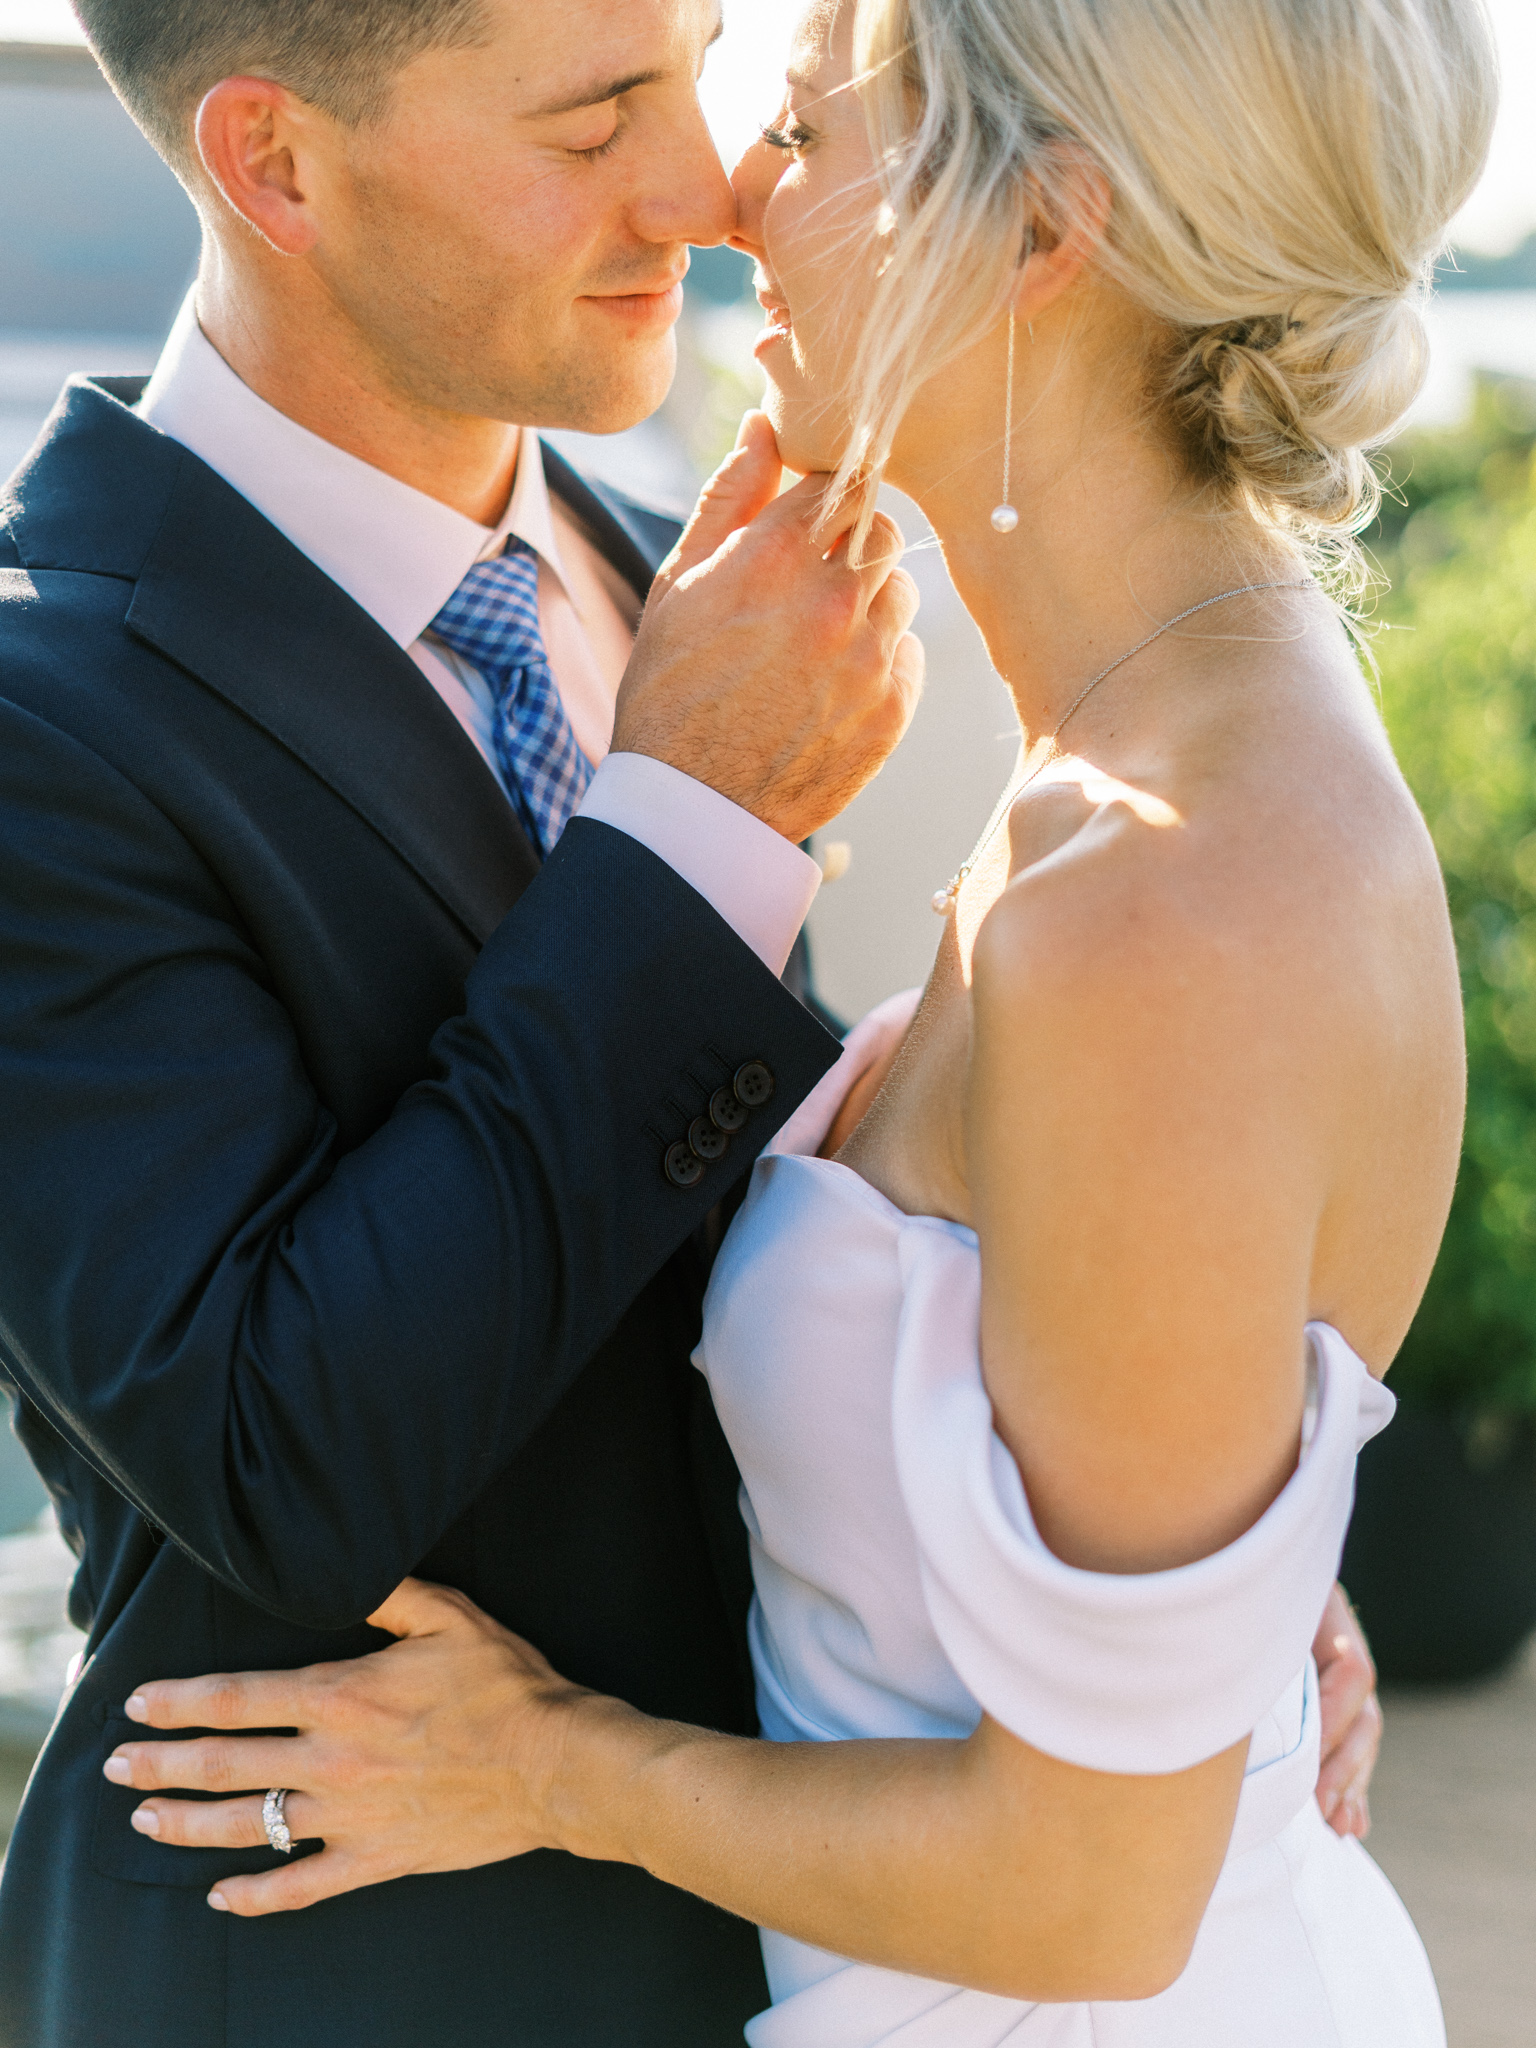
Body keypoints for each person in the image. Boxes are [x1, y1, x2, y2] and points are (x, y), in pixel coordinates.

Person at [106, 0, 1491, 2042]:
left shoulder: (1158, 900)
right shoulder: (1134, 771)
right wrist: (1177, 1580)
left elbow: (1098, 1891)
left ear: (1036, 234)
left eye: (818, 129)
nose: (742, 192)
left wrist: (544, 1762)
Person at [0, 2, 931, 2045]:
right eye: (597, 116)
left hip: (785, 1944)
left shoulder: (674, 585)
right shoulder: (34, 724)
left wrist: (1171, 1552)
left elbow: (796, 1237)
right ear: (278, 166)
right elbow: (280, 1451)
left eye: (692, 69)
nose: (704, 188)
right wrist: (693, 826)